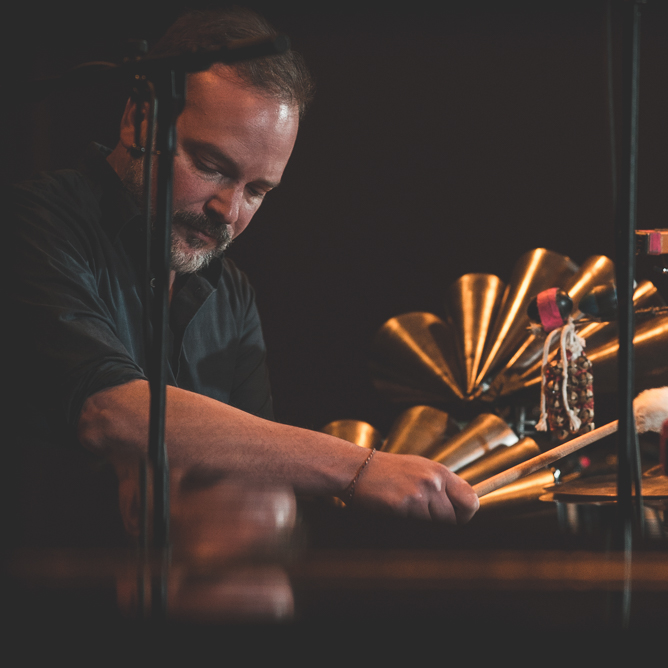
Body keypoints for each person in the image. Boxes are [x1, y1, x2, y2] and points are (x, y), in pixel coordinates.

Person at [3, 8, 478, 548]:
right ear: (139, 119)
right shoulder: (31, 224)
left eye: (257, 191)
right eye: (212, 166)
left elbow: (248, 475)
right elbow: (109, 412)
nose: (228, 212)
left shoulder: (230, 293)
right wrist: (359, 467)